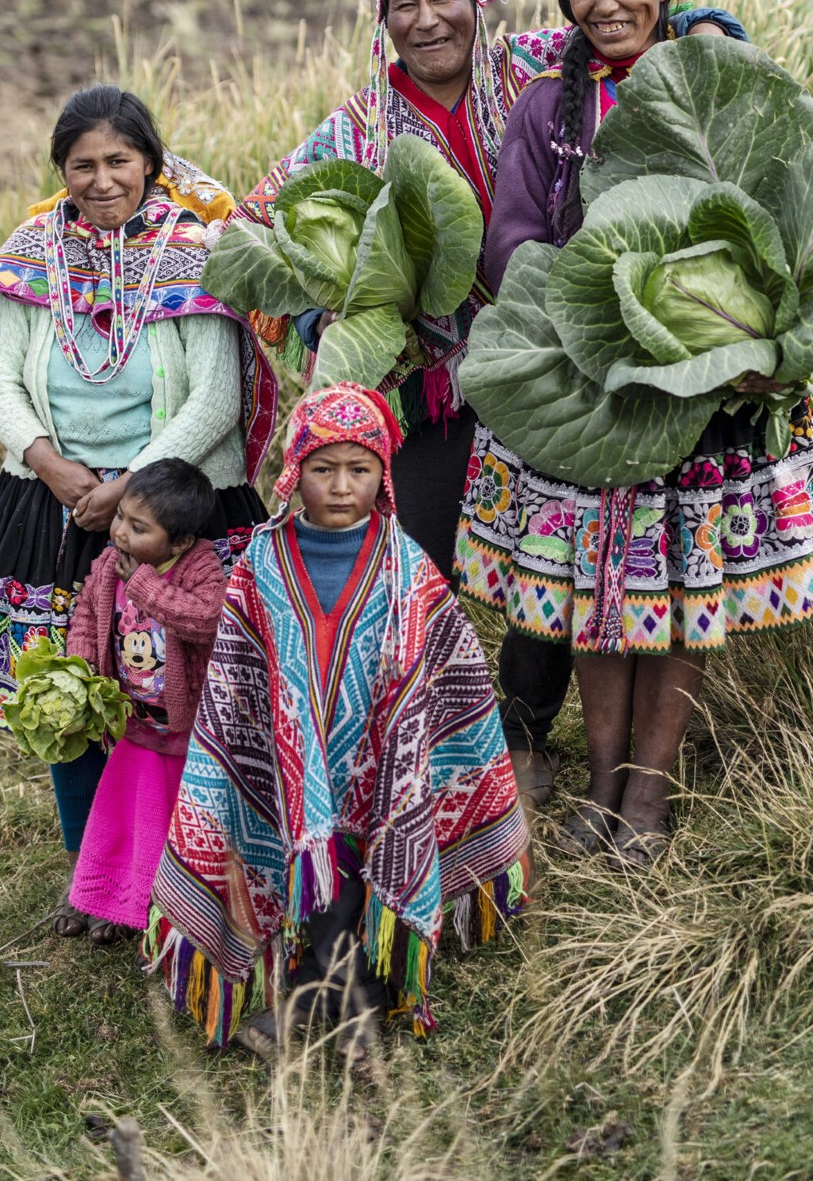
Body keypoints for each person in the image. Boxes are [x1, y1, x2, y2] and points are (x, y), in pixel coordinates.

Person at [235, 0, 742, 811]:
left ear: (480, 1)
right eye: (405, 6)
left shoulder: (536, 67)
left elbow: (627, 26)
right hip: (433, 384)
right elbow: (258, 225)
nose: (427, 20)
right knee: (419, 560)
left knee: (549, 559)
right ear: (382, 22)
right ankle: (422, 733)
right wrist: (338, 320)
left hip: (551, 366)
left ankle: (521, 723)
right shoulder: (356, 126)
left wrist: (706, 28)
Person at [454, 0, 813, 867]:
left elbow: (786, 205)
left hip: (710, 378)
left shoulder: (718, 73)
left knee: (681, 587)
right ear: (567, 0)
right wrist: (596, 303)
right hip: (594, 387)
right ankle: (596, 786)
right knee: (599, 593)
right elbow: (509, 243)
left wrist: (759, 337)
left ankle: (649, 794)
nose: (606, 3)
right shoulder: (549, 106)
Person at [0, 84, 277, 930]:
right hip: (51, 506)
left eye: (119, 161)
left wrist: (130, 488)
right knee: (72, 690)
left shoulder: (196, 251)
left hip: (181, 509)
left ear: (151, 163)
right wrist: (54, 468)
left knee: (190, 689)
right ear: (62, 172)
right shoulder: (32, 253)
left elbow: (216, 396)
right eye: (82, 164)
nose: (102, 179)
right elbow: (0, 377)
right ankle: (92, 877)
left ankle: (196, 872)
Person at [148, 383, 528, 1064]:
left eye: (360, 469)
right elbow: (237, 671)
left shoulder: (407, 568)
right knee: (298, 856)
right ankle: (322, 991)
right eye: (323, 470)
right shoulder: (259, 564)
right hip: (285, 769)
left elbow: (448, 667)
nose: (342, 486)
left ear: (384, 475)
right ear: (294, 474)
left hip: (381, 769)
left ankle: (344, 996)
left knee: (358, 857)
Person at [63, 458, 226, 945]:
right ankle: (114, 901)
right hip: (134, 723)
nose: (119, 534)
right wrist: (82, 667)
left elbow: (207, 619)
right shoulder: (108, 565)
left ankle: (175, 914)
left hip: (183, 730)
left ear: (178, 541)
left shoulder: (198, 566)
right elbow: (87, 616)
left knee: (172, 822)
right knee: (126, 817)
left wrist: (146, 587)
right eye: (120, 519)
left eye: (138, 527)